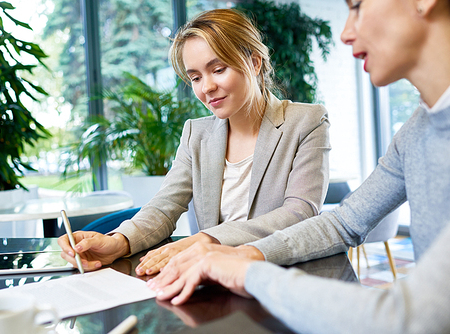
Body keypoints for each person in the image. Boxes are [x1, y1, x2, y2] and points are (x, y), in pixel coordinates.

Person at [150, 0, 450, 332]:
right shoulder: (415, 132)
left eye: (357, 6)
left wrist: (248, 272)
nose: (345, 34)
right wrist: (248, 254)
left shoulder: (307, 121)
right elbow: (342, 223)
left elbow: (411, 317)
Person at [58, 9, 330, 275]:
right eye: (196, 77)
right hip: (212, 280)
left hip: (283, 278)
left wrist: (208, 239)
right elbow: (163, 208)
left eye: (218, 69)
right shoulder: (196, 134)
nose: (206, 87)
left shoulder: (305, 121)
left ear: (255, 63)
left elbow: (300, 213)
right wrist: (119, 242)